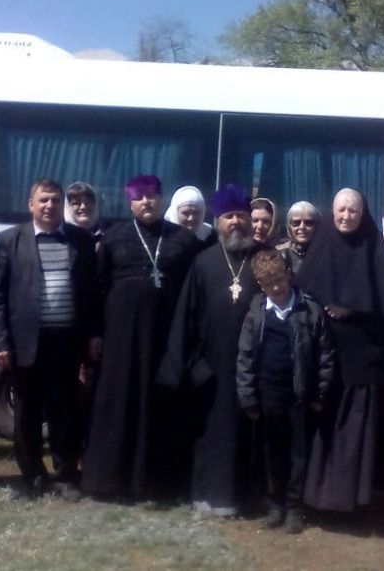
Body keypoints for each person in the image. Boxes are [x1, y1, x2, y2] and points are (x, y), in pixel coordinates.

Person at [81, 175, 200, 500]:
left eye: (152, 196)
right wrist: (96, 332)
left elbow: (195, 291)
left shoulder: (183, 240)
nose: (146, 202)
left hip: (166, 337)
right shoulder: (113, 237)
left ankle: (160, 483)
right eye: (139, 198)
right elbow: (98, 289)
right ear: (129, 203)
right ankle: (111, 480)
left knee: (162, 403)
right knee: (120, 402)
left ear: (162, 200)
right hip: (122, 339)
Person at [0, 178, 102, 503]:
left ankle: (66, 476)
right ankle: (33, 477)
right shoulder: (10, 240)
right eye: (43, 200)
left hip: (67, 341)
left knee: (64, 411)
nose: (50, 206)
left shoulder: (80, 239)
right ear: (31, 205)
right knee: (26, 415)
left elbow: (93, 293)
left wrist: (94, 333)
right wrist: (0, 342)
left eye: (55, 200)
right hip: (25, 343)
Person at [295, 188, 384, 513]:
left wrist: (352, 311)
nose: (346, 216)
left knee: (354, 433)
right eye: (341, 210)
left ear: (362, 213)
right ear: (333, 211)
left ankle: (352, 499)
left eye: (352, 211)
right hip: (324, 362)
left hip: (362, 362)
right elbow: (305, 295)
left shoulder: (376, 250)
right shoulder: (322, 245)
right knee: (321, 429)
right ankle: (316, 497)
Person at [160, 183, 263, 517]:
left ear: (250, 219)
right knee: (212, 433)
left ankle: (248, 497)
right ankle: (208, 495)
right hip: (211, 368)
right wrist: (191, 365)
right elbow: (184, 319)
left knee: (251, 436)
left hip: (256, 368)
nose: (235, 222)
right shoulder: (203, 263)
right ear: (218, 221)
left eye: (241, 216)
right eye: (228, 216)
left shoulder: (264, 259)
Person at [237, 249, 335, 534]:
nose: (277, 288)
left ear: (289, 275)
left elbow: (325, 355)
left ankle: (294, 507)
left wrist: (319, 393)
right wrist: (248, 396)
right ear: (260, 285)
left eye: (280, 280)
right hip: (268, 393)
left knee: (297, 453)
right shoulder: (256, 311)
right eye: (269, 284)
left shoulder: (309, 309)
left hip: (299, 394)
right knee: (272, 451)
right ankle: (275, 504)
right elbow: (244, 355)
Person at [277, 201, 319, 275]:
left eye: (308, 223)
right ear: (289, 226)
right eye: (296, 223)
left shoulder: (326, 253)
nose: (302, 227)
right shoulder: (278, 255)